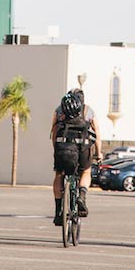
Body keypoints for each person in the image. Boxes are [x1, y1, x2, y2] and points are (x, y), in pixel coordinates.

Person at [51, 88, 102, 225]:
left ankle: (58, 212)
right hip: (82, 148)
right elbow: (97, 135)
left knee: (59, 174)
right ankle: (82, 196)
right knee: (86, 171)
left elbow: (54, 131)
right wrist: (99, 153)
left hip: (63, 147)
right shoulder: (88, 111)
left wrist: (56, 149)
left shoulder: (59, 110)